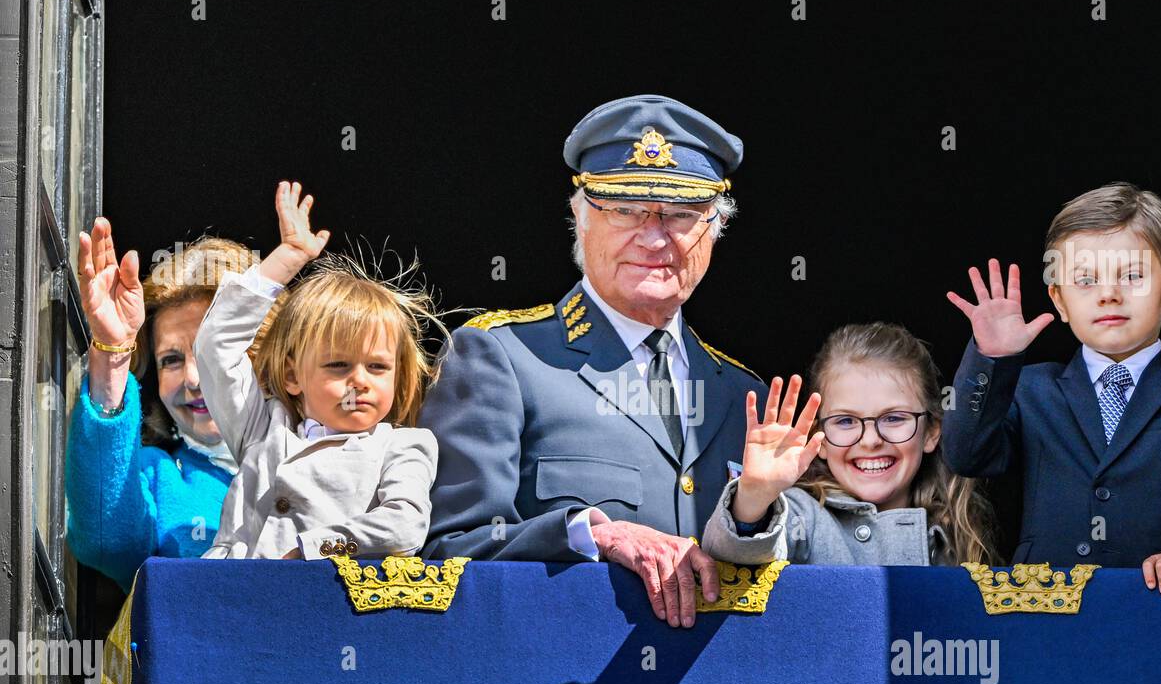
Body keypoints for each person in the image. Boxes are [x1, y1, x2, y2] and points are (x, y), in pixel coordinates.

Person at [422, 94, 765, 628]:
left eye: (679, 216)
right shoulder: (503, 356)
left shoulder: (743, 394)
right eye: (624, 210)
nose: (654, 238)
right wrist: (591, 535)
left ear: (714, 234)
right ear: (580, 219)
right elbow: (446, 551)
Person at [941, 182, 1161, 593]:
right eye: (1086, 281)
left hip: (1159, 605)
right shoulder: (1030, 388)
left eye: (1132, 276)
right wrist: (992, 359)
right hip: (1044, 608)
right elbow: (966, 455)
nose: (1109, 294)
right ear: (1059, 301)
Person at [196, 181, 441, 560]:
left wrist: (310, 548)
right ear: (293, 377)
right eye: (338, 365)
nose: (359, 380)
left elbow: (404, 525)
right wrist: (286, 260)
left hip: (330, 607)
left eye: (377, 366)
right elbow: (217, 346)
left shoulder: (403, 445)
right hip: (231, 598)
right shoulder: (260, 427)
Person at [703, 323, 998, 566]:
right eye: (845, 421)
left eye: (894, 418)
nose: (870, 441)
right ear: (819, 439)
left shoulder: (959, 532)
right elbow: (732, 556)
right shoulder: (801, 517)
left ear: (932, 431)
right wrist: (754, 498)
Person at [66, 220, 253, 592]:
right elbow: (104, 540)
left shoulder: (326, 451)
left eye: (212, 352)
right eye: (170, 360)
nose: (194, 379)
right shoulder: (158, 476)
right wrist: (112, 353)